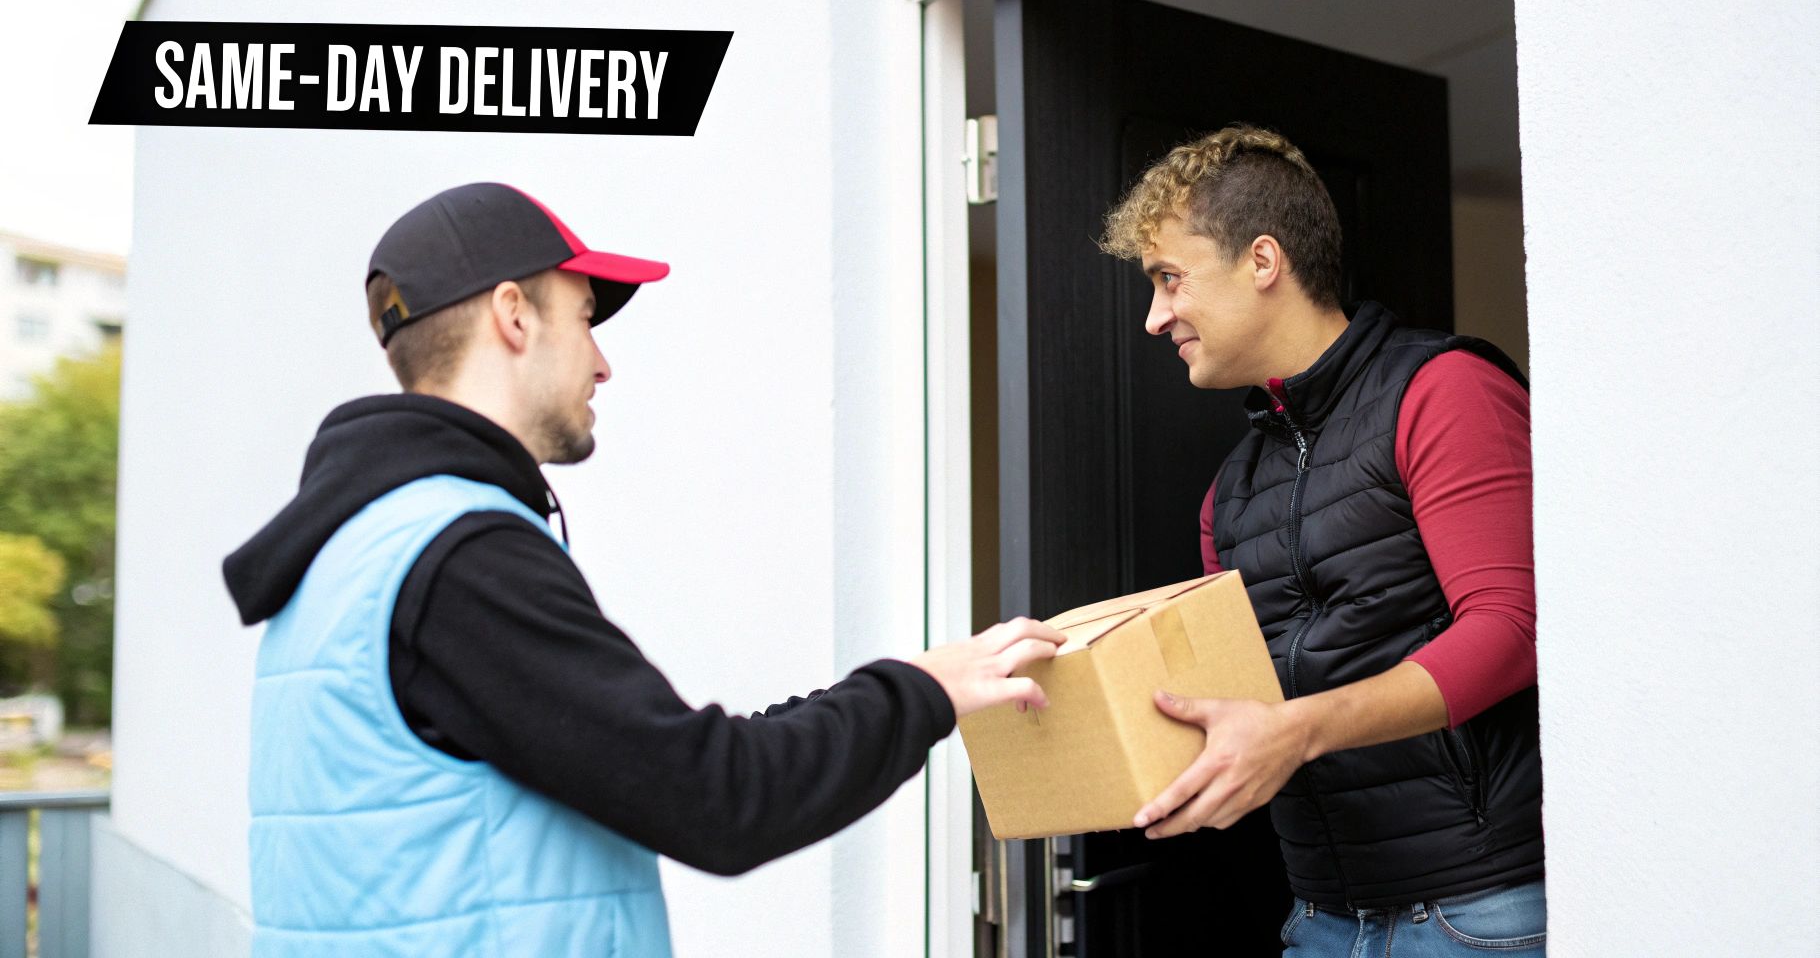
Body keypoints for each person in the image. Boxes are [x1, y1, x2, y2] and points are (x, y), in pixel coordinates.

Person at [223, 182, 1064, 957]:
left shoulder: (354, 550)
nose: (602, 362)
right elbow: (719, 798)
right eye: (585, 317)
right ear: (513, 316)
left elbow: (657, 758)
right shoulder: (462, 559)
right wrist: (921, 690)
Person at [1099, 127, 1546, 955]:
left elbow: (1511, 630)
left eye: (1170, 279)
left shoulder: (1442, 390)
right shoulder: (1228, 493)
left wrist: (1299, 728)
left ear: (1262, 261)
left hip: (1477, 912)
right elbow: (1251, 706)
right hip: (1321, 918)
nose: (1156, 318)